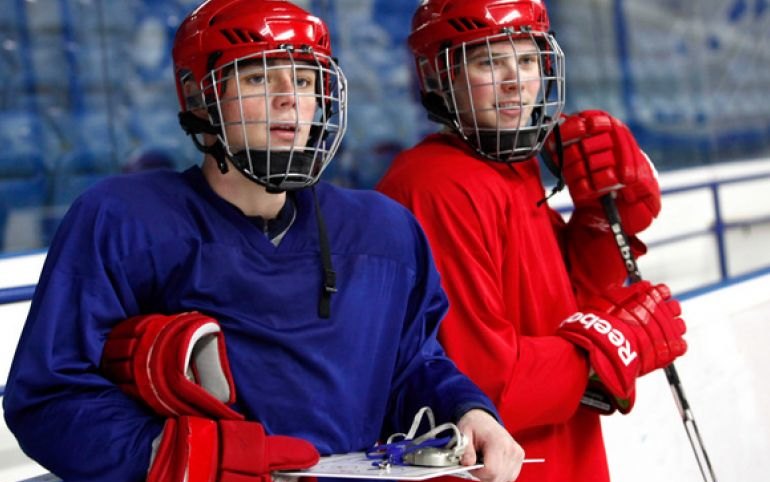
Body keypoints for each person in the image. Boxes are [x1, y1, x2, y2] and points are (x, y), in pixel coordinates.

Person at [2, 1, 524, 481]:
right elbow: (50, 396)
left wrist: (468, 411)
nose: (288, 101)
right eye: (256, 77)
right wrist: (173, 454)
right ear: (201, 98)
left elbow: (414, 366)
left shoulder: (384, 232)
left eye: (303, 79)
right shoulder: (122, 221)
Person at [376, 1, 688, 481]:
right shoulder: (436, 185)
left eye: (525, 59)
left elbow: (564, 306)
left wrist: (604, 220)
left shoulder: (511, 166)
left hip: (562, 457)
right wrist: (607, 349)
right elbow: (482, 384)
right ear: (442, 78)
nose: (514, 80)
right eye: (487, 61)